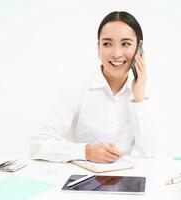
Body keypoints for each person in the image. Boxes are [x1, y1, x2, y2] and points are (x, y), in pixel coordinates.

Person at [30, 11, 157, 163]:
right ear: (98, 47)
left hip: (125, 180)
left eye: (126, 44)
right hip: (83, 180)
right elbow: (37, 144)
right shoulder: (76, 90)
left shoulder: (141, 95)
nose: (116, 54)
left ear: (139, 48)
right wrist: (86, 152)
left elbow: (149, 152)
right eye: (107, 44)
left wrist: (139, 98)